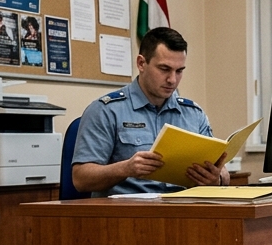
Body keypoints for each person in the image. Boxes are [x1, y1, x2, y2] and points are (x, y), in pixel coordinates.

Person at [72, 27, 228, 195]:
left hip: (184, 210)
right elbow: (81, 179)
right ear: (141, 63)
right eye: (164, 69)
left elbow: (222, 170)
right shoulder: (106, 110)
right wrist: (125, 168)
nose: (172, 80)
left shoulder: (193, 114)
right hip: (129, 213)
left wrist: (217, 179)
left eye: (179, 71)